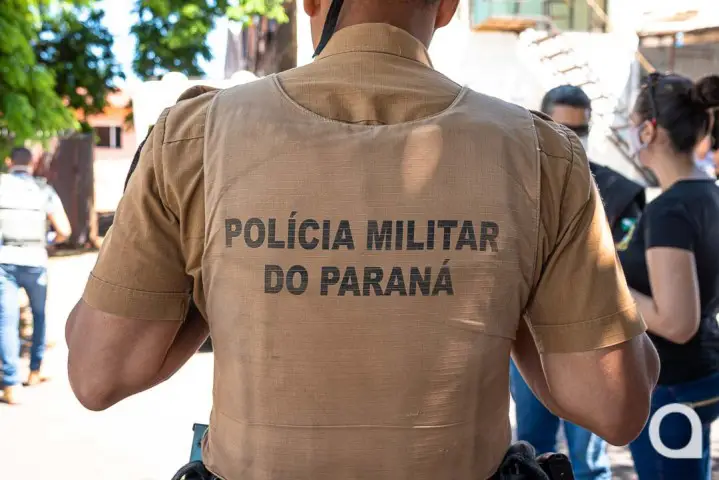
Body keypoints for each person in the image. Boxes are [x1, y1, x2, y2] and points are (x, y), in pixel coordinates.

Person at [65, 1, 659, 478]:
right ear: (448, 6)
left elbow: (98, 372)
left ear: (309, 2)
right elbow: (615, 405)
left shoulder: (195, 139)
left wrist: (211, 267)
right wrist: (513, 283)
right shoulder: (542, 155)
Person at [509, 84, 646, 480]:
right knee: (530, 454)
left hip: (594, 339)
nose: (572, 139)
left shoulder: (619, 191)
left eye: (580, 130)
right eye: (562, 129)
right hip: (532, 338)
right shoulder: (514, 187)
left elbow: (627, 267)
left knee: (590, 458)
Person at [617, 72, 719, 479]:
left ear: (650, 130)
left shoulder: (670, 210)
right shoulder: (708, 193)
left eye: (632, 123)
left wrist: (608, 284)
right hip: (695, 377)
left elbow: (677, 323)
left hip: (672, 386)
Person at [0, 147, 71, 404]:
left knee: (6, 321)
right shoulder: (43, 190)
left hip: (4, 261)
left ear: (9, 162)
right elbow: (65, 230)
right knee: (39, 315)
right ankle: (34, 371)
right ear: (32, 163)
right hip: (35, 260)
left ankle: (10, 385)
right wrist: (48, 240)